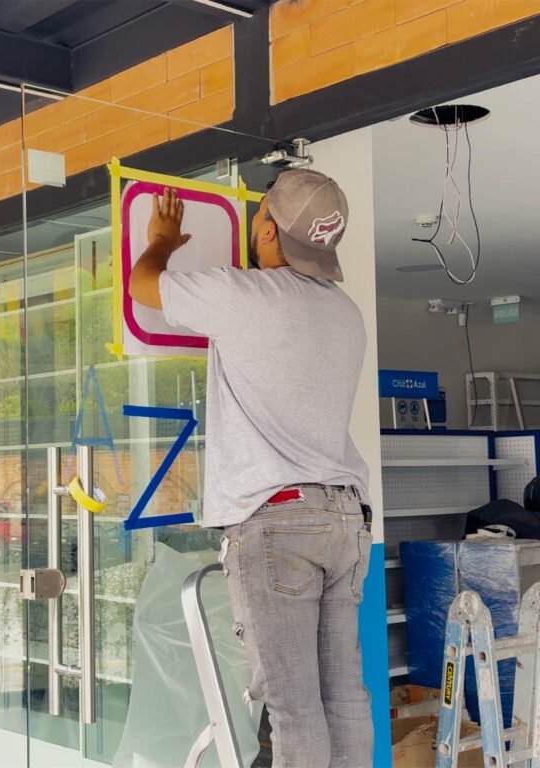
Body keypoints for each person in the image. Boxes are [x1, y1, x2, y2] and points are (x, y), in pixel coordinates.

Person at [128, 170, 374, 767]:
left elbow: (142, 284)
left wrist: (162, 239)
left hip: (279, 521)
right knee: (343, 695)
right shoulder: (346, 313)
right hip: (345, 518)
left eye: (260, 216)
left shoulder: (243, 296)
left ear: (266, 231)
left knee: (293, 705)